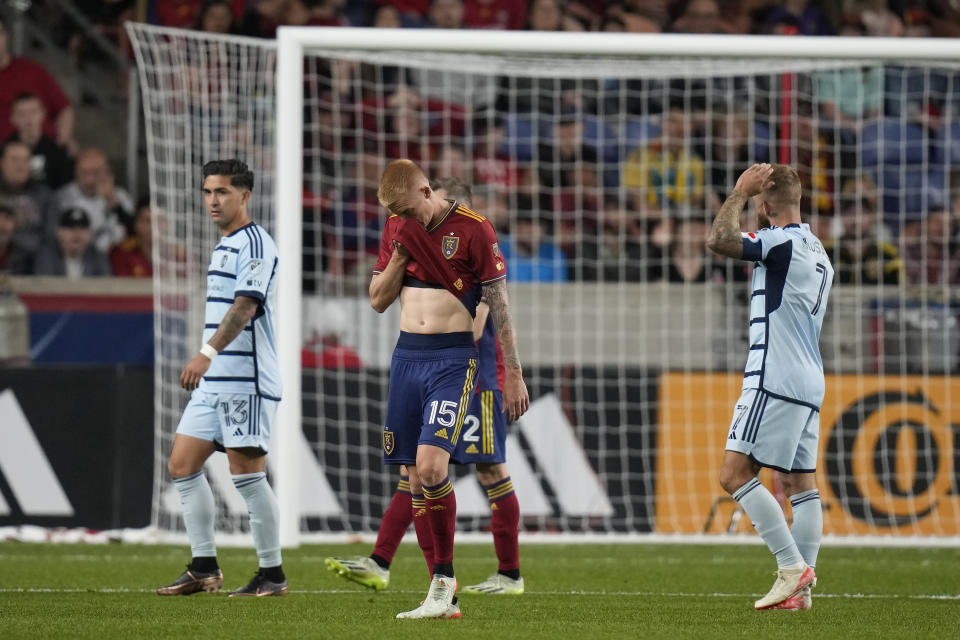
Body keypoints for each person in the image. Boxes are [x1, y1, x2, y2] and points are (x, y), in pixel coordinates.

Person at [325, 177, 524, 598]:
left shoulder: (474, 249)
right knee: (414, 473)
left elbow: (477, 322)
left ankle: (509, 573)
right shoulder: (410, 237)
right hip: (426, 367)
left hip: (478, 380)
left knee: (487, 471)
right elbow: (380, 298)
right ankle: (387, 563)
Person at [156, 159, 287, 598]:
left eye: (223, 192)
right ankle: (204, 567)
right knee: (182, 464)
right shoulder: (225, 243)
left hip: (244, 378)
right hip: (216, 382)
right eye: (208, 192)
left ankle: (272, 574)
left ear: (244, 196)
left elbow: (246, 307)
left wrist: (206, 353)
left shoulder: (255, 243)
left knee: (248, 476)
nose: (213, 200)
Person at [706, 163, 833, 611]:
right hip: (810, 378)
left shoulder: (778, 243)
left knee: (734, 474)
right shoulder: (817, 250)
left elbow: (719, 240)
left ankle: (792, 568)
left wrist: (738, 191)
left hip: (773, 375)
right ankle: (801, 592)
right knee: (802, 482)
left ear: (763, 203)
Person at [0, 17, 75, 151]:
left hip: (43, 152)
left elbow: (64, 109)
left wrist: (61, 144)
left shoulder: (32, 70)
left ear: (6, 36)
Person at [56, 147, 134, 253]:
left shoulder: (120, 196)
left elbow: (133, 232)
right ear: (76, 172)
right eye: (84, 173)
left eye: (95, 173)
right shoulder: (63, 197)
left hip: (117, 257)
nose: (89, 179)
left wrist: (112, 201)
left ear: (107, 172)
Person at [6, 92, 74, 190]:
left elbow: (62, 189)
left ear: (42, 113)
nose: (28, 119)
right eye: (21, 114)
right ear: (13, 118)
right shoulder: (4, 151)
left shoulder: (56, 151)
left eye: (33, 112)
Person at [33, 207, 112, 277]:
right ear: (59, 232)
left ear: (90, 234)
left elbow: (104, 288)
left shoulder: (98, 257)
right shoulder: (47, 256)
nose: (77, 234)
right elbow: (45, 288)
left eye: (82, 228)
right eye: (70, 228)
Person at [110, 200, 153, 277]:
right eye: (147, 221)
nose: (153, 227)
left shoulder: (179, 255)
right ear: (136, 224)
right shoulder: (121, 252)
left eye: (160, 220)